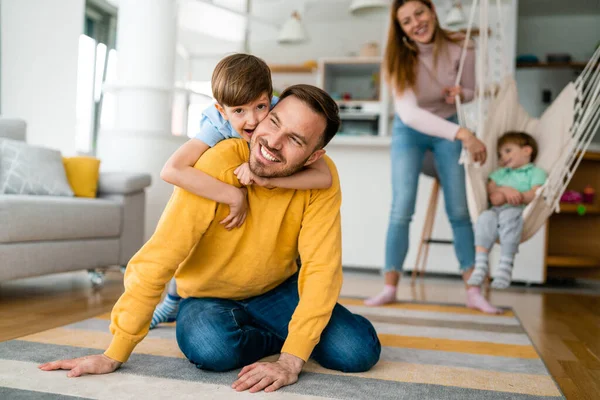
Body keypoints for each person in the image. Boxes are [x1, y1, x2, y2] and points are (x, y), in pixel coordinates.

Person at [39, 84, 381, 393]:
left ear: (313, 157)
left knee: (357, 351)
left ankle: (280, 334)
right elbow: (160, 256)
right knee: (211, 348)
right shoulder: (217, 163)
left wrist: (291, 359)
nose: (273, 143)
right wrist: (116, 351)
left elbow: (322, 268)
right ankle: (278, 332)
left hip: (277, 289)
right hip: (207, 295)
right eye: (274, 121)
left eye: (295, 140)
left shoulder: (321, 180)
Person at [150, 54, 332, 329]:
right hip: (217, 200)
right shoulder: (217, 125)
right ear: (222, 111)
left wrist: (264, 178)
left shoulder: (278, 113)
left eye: (260, 106)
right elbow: (172, 170)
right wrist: (233, 195)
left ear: (270, 98)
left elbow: (324, 176)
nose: (253, 120)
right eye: (239, 111)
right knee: (193, 240)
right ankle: (173, 300)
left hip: (262, 215)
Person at [364, 0, 499, 314]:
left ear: (433, 11)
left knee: (459, 209)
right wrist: (464, 134)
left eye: (420, 13)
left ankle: (473, 289)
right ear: (401, 29)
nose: (416, 23)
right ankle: (390, 286)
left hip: (448, 126)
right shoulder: (396, 59)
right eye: (407, 21)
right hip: (411, 132)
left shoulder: (462, 46)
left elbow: (472, 88)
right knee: (402, 207)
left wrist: (461, 94)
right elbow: (409, 114)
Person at [468, 132, 547, 289]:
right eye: (500, 154)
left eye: (508, 151)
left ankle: (505, 266)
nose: (503, 157)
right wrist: (505, 191)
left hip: (518, 211)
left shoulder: (536, 173)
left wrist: (516, 195)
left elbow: (535, 195)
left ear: (527, 151)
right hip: (495, 210)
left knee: (509, 215)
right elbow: (494, 197)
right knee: (484, 217)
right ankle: (480, 265)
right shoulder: (498, 173)